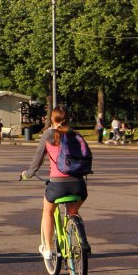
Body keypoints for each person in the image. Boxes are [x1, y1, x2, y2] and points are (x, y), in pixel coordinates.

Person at [21, 105, 88, 260]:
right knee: (73, 211)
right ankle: (78, 236)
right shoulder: (76, 135)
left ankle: (49, 248)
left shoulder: (48, 135)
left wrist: (29, 174)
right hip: (79, 185)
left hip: (58, 185)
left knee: (47, 211)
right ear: (69, 118)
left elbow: (37, 159)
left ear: (52, 118)